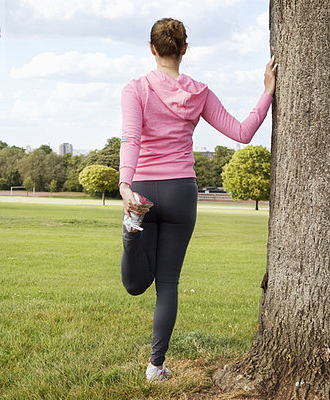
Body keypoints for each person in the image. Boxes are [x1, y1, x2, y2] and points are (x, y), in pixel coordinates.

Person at [118, 17, 277, 382]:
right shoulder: (199, 92)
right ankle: (155, 367)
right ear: (184, 49)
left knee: (135, 284)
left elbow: (131, 139)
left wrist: (126, 187)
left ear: (152, 49)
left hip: (141, 189)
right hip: (180, 193)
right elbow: (242, 132)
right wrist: (267, 91)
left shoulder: (136, 88)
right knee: (167, 283)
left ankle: (132, 233)